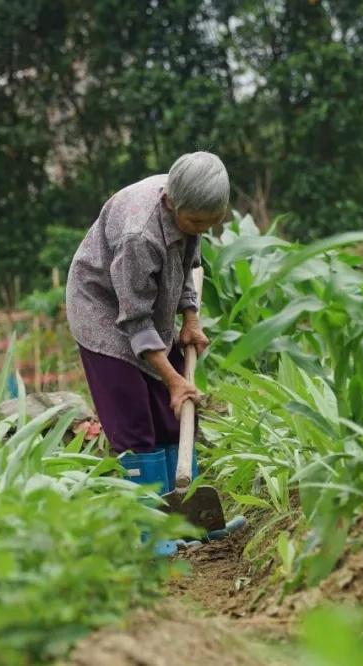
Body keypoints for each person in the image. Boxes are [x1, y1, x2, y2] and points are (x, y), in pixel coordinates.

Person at [65, 152, 227, 492]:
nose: (202, 231)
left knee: (172, 420)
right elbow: (135, 320)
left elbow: (187, 264)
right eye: (197, 223)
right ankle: (150, 532)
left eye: (210, 223)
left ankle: (187, 517)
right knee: (134, 424)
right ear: (170, 203)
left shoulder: (190, 205)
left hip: (148, 308)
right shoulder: (139, 235)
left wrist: (191, 318)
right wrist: (174, 380)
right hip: (104, 313)